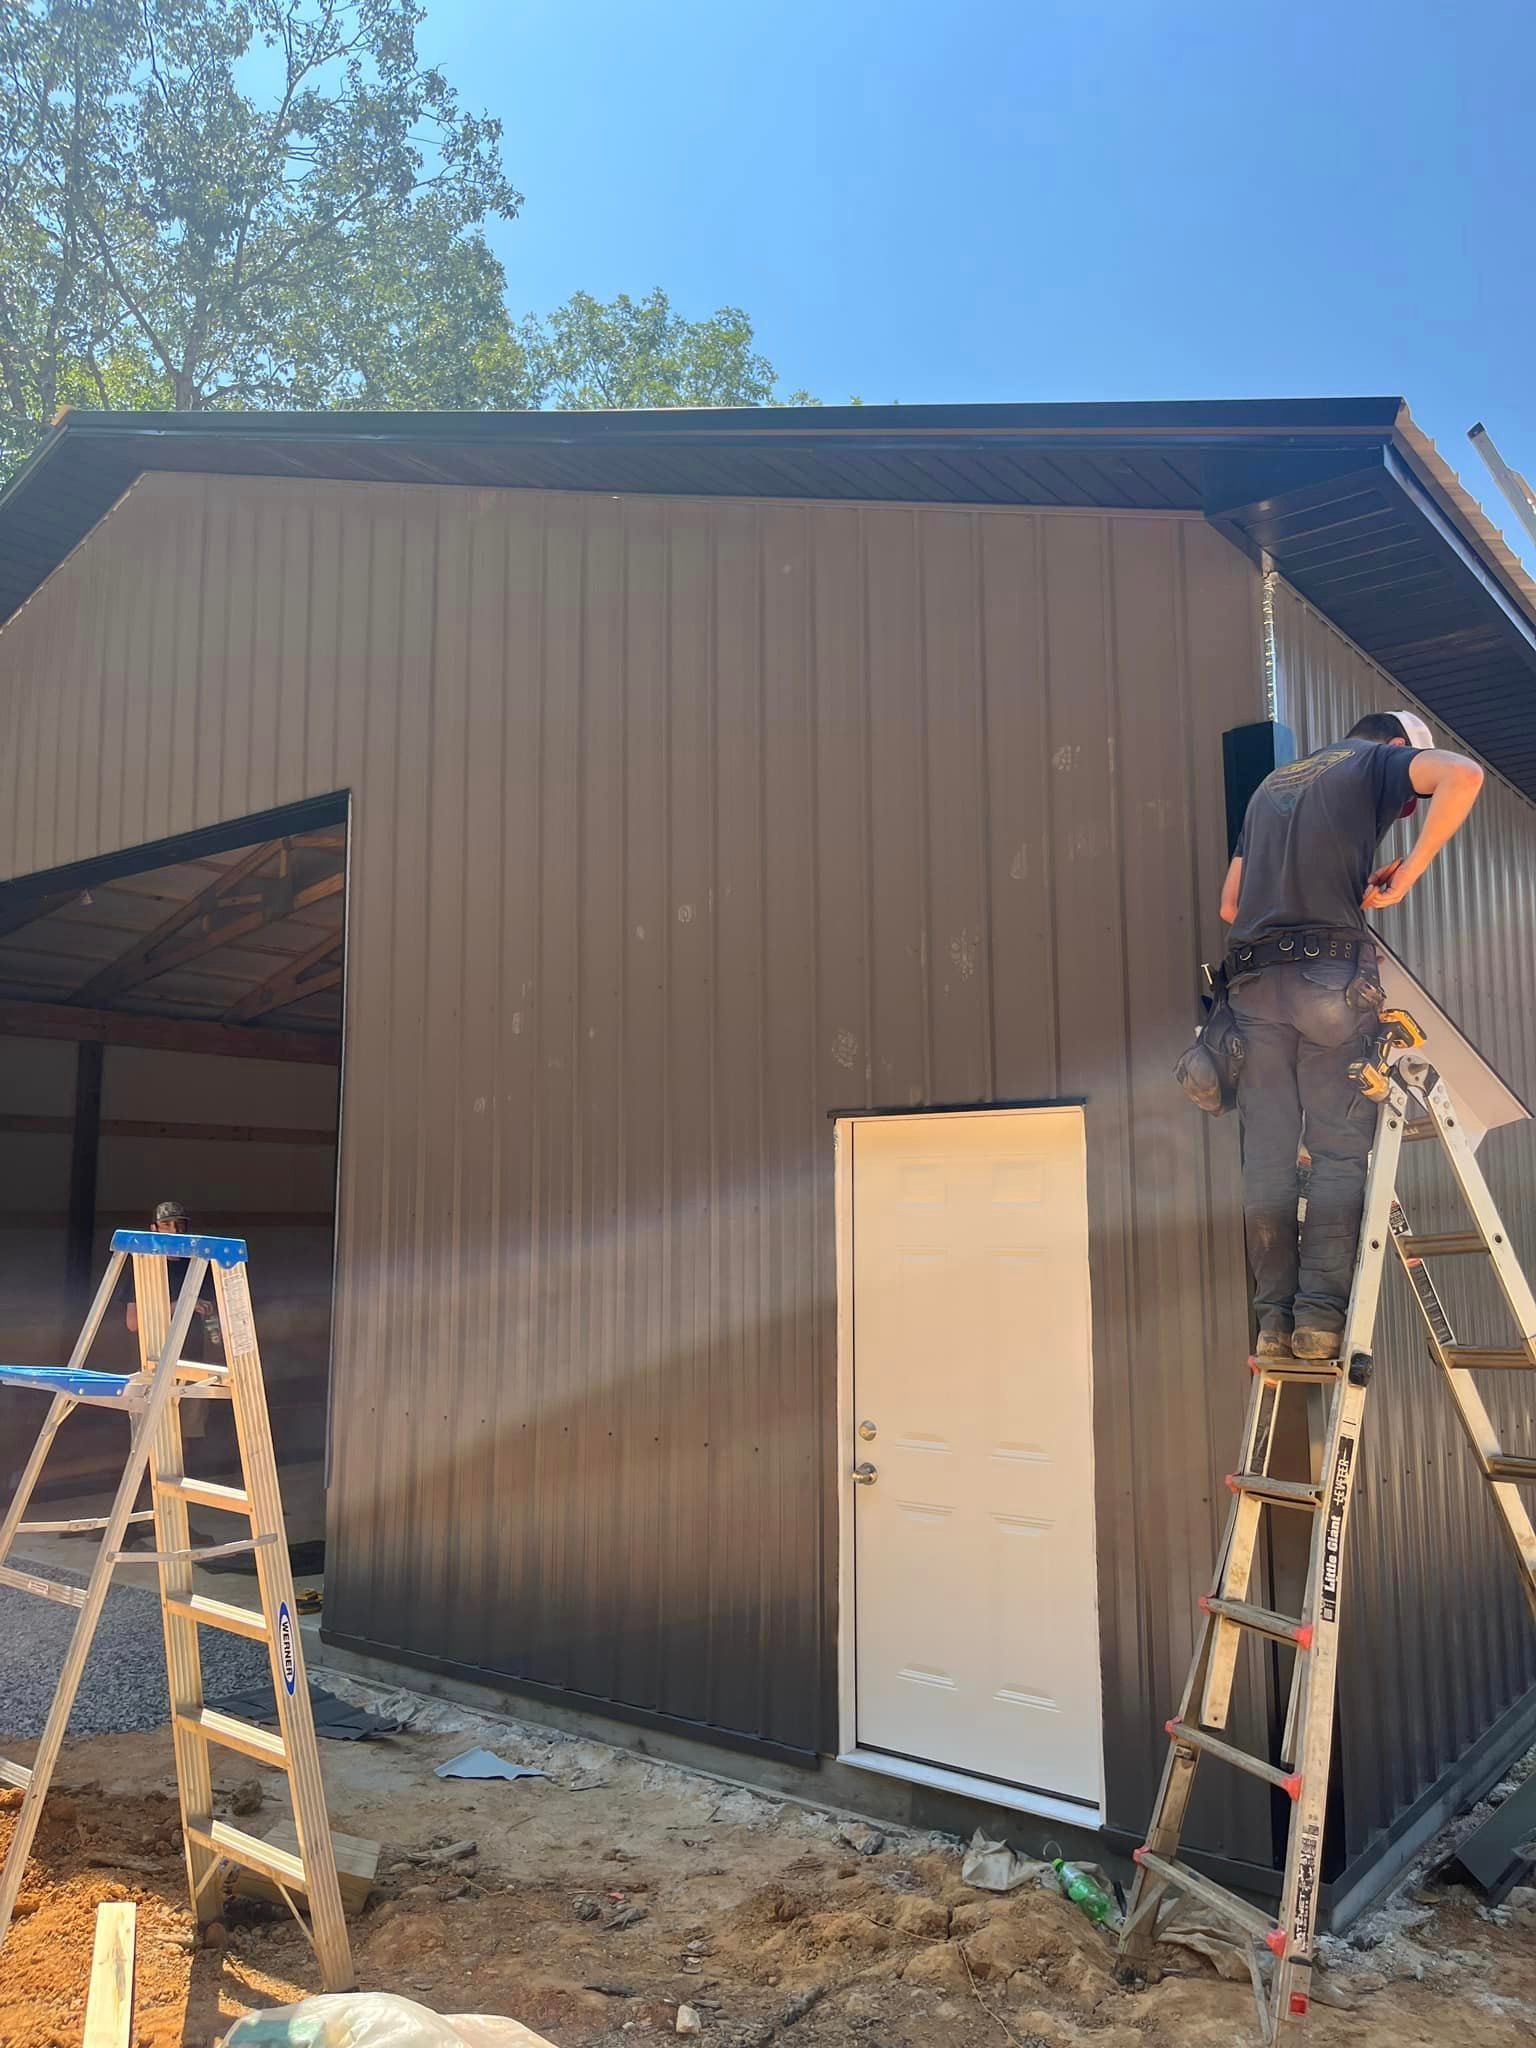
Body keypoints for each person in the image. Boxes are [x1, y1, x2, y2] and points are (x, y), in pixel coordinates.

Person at [1219, 711, 1485, 1361]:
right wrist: (1410, 871)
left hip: (1252, 990)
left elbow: (1231, 904)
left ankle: (1272, 1324)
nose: (1402, 812)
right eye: (1406, 806)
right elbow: (1465, 776)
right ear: (1397, 746)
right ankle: (1316, 1319)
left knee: (1269, 1162)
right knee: (1338, 1154)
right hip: (1327, 983)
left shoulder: (1272, 787)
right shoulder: (1375, 762)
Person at [122, 1199, 221, 1360]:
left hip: (193, 1361)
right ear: (154, 1229)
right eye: (166, 1224)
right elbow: (133, 1323)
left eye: (179, 1225)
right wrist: (179, 1306)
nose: (174, 1231)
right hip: (154, 1360)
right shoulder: (143, 1267)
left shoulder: (198, 1264)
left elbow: (213, 1313)